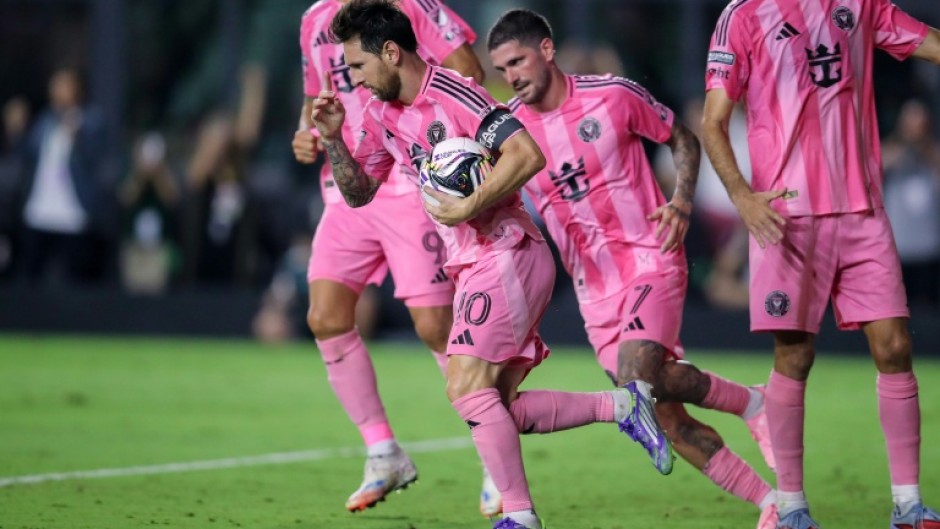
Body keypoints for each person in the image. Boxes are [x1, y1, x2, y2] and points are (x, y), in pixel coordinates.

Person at [312, 2, 675, 527]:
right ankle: (622, 407)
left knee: (463, 385)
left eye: (359, 66)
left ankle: (520, 517)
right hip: (471, 262)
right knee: (500, 407)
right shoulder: (377, 114)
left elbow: (527, 154)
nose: (354, 80)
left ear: (391, 53)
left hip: (509, 250)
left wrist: (469, 205)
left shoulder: (456, 93)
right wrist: (331, 137)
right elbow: (360, 193)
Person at [486, 9, 776, 529]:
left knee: (636, 382)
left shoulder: (613, 95)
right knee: (662, 409)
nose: (512, 76)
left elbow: (682, 138)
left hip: (649, 254)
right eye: (503, 68)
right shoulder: (509, 131)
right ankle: (767, 487)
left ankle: (752, 407)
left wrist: (681, 202)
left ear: (547, 50)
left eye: (518, 61)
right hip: (592, 285)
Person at [701, 1, 940, 528]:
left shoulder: (859, 4)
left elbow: (930, 44)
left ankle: (908, 506)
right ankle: (791, 506)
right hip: (787, 215)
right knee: (795, 356)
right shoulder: (744, 15)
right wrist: (742, 197)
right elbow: (712, 120)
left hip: (862, 210)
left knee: (895, 346)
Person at [290, 0, 498, 516]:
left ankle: (493, 455)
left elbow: (468, 73)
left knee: (435, 326)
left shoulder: (411, 6)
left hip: (408, 184)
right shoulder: (315, 19)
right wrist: (307, 132)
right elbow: (315, 94)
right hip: (348, 187)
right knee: (325, 316)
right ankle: (383, 451)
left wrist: (440, 155)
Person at [16, 68, 107, 285]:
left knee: (75, 281)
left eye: (64, 85)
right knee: (30, 279)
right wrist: (18, 130)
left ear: (77, 88)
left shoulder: (91, 120)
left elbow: (96, 158)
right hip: (39, 212)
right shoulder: (45, 120)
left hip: (73, 214)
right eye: (55, 85)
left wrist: (78, 137)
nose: (57, 90)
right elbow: (27, 154)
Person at [883, 99, 940, 307]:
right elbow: (877, 166)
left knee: (927, 308)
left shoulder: (933, 152)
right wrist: (905, 146)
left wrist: (925, 148)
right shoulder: (890, 151)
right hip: (899, 247)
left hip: (930, 248)